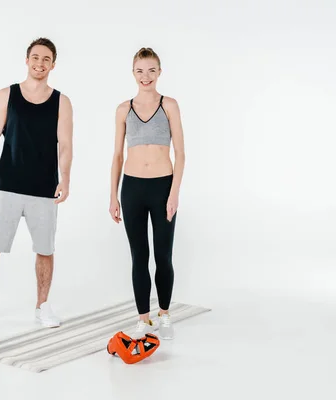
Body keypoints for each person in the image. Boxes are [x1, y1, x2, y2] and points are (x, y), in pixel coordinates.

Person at [0, 38, 73, 330]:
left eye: (46, 59)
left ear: (53, 64)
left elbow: (65, 144)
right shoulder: (6, 95)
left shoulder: (61, 102)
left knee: (45, 250)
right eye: (36, 57)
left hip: (44, 189)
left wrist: (65, 178)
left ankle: (43, 307)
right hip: (7, 185)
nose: (40, 63)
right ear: (27, 60)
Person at [109, 47, 185, 339]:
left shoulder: (170, 105)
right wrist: (113, 196)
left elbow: (181, 153)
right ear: (133, 73)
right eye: (140, 71)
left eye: (151, 70)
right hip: (132, 189)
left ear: (159, 72)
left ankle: (164, 314)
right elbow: (117, 155)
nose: (146, 76)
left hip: (162, 186)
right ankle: (144, 318)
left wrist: (174, 193)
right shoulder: (122, 109)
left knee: (163, 255)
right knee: (139, 256)